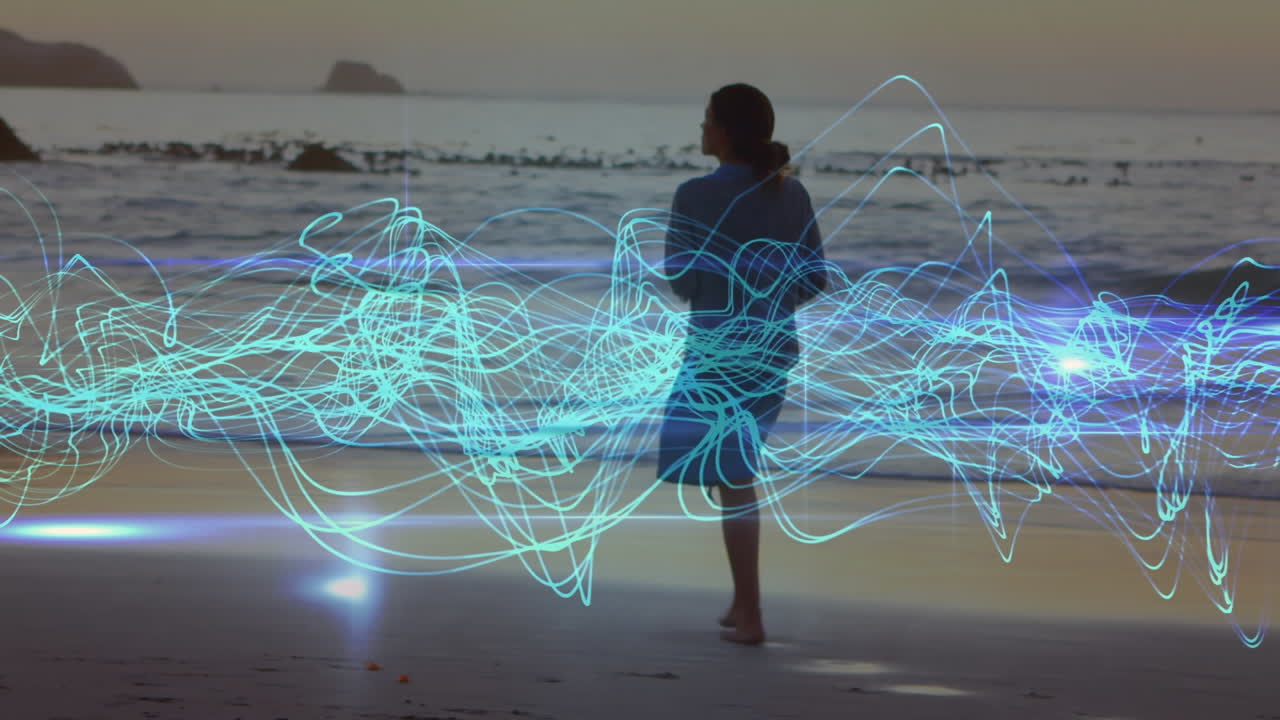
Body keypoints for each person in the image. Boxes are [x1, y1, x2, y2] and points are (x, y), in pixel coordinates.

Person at [658, 83, 827, 646]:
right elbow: (813, 279)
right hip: (774, 349)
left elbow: (681, 282)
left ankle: (751, 614)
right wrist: (768, 299)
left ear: (725, 132)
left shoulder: (693, 195)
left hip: (715, 353)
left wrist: (719, 279)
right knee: (732, 471)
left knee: (732, 476)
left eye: (706, 120)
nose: (700, 129)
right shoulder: (793, 194)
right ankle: (740, 602)